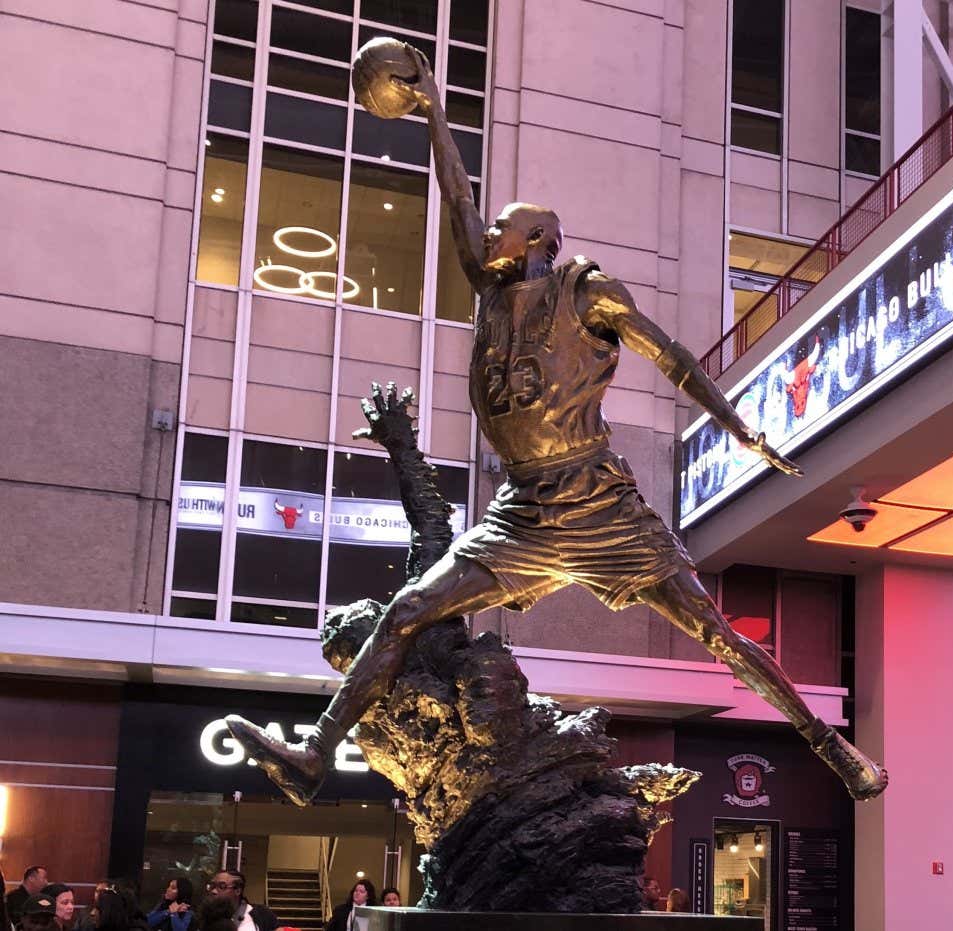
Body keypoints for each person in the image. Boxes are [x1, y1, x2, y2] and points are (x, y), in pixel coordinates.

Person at [225, 40, 887, 809]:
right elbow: (459, 202)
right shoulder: (491, 290)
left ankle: (831, 746)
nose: (491, 235)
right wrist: (436, 114)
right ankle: (315, 753)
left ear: (540, 239)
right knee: (407, 609)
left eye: (508, 227)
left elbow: (672, 356)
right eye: (495, 227)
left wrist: (738, 428)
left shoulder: (586, 290)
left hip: (600, 504)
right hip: (525, 512)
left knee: (715, 633)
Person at [206, 871, 276, 931]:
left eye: (222, 886)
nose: (213, 891)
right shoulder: (206, 916)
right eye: (212, 886)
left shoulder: (262, 914)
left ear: (238, 891)